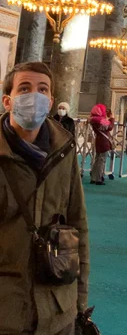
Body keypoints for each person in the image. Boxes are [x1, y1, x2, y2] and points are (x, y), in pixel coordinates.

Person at [0, 61, 89, 334]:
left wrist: (79, 303)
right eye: (24, 88)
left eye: (42, 90)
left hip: (57, 308)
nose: (34, 96)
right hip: (7, 311)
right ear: (7, 101)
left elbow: (78, 224)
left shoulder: (64, 150)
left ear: (50, 102)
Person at [89, 103, 114, 185]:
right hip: (104, 141)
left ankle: (93, 177)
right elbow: (110, 127)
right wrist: (112, 119)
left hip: (99, 140)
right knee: (102, 160)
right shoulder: (100, 120)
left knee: (97, 159)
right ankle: (98, 178)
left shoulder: (93, 119)